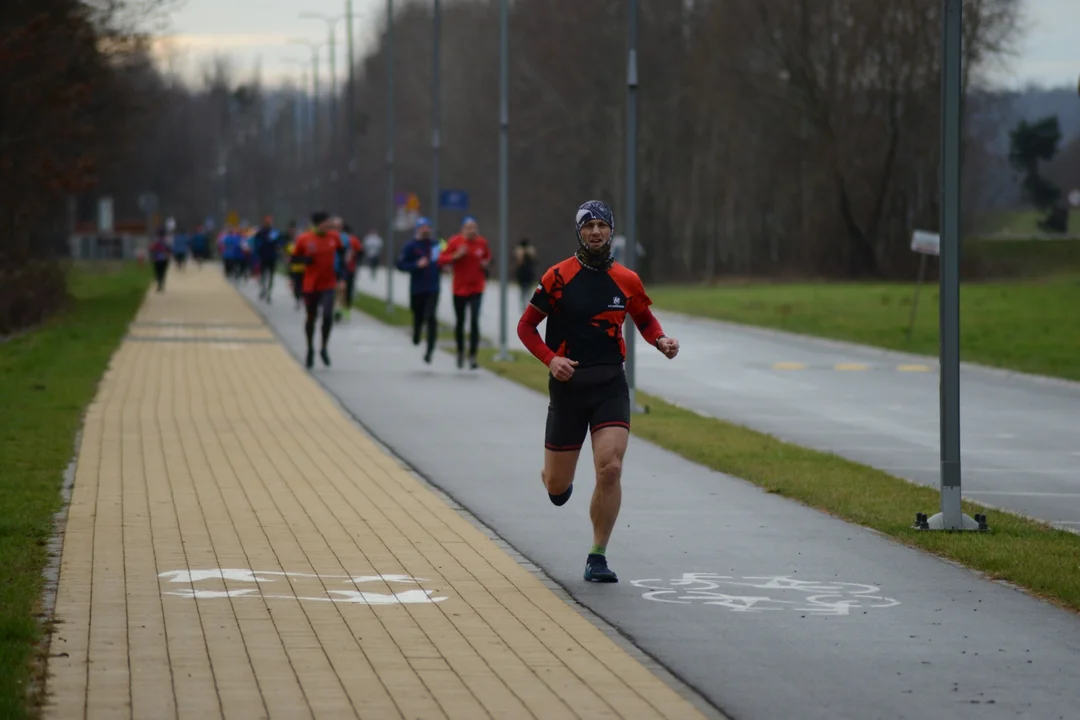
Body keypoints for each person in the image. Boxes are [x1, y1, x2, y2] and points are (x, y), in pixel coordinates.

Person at [516, 200, 680, 583]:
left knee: (610, 468)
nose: (595, 232)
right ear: (579, 231)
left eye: (601, 225)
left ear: (610, 231)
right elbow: (526, 327)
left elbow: (643, 317)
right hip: (568, 388)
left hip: (609, 385)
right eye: (588, 225)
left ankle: (597, 555)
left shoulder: (627, 279)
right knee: (557, 487)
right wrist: (549, 360)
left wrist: (661, 340)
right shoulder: (557, 277)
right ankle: (558, 481)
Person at [292, 211, 345, 369]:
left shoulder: (334, 237)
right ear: (318, 224)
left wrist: (341, 275)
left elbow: (341, 254)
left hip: (328, 284)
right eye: (326, 222)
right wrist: (304, 261)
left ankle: (324, 347)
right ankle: (310, 349)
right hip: (310, 284)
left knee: (328, 316)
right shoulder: (305, 239)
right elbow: (294, 259)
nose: (329, 225)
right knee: (311, 317)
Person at [438, 216, 491, 369]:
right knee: (460, 322)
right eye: (468, 227)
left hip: (477, 287)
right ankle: (460, 352)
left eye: (474, 227)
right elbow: (441, 259)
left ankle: (473, 356)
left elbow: (488, 257)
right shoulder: (455, 242)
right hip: (459, 289)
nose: (472, 230)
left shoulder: (482, 242)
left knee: (474, 321)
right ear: (463, 229)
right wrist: (456, 256)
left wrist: (486, 263)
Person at [396, 216, 442, 364]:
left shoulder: (436, 245)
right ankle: (416, 332)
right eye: (422, 228)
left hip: (433, 287)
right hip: (417, 288)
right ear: (418, 229)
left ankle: (430, 350)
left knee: (431, 317)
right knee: (418, 315)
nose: (425, 230)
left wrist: (445, 266)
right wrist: (416, 265)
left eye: (427, 227)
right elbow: (401, 264)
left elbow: (443, 259)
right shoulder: (411, 246)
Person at [336, 223, 364, 322]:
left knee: (344, 290)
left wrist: (354, 256)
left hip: (348, 269)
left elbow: (360, 252)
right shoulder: (351, 239)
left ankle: (343, 310)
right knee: (345, 291)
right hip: (345, 269)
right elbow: (361, 252)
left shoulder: (352, 240)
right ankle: (342, 311)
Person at [253, 215, 283, 302]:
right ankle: (263, 289)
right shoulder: (260, 232)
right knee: (263, 275)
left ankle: (269, 292)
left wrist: (278, 248)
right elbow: (256, 243)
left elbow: (279, 243)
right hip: (263, 257)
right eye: (267, 221)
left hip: (272, 257)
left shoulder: (275, 232)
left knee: (271, 276)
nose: (268, 222)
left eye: (270, 221)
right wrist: (258, 253)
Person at [514, 237, 538, 312]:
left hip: (528, 275)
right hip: (523, 275)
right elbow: (518, 262)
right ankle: (524, 306)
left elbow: (534, 261)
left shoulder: (530, 252)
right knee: (523, 292)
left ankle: (528, 306)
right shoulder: (520, 252)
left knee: (527, 291)